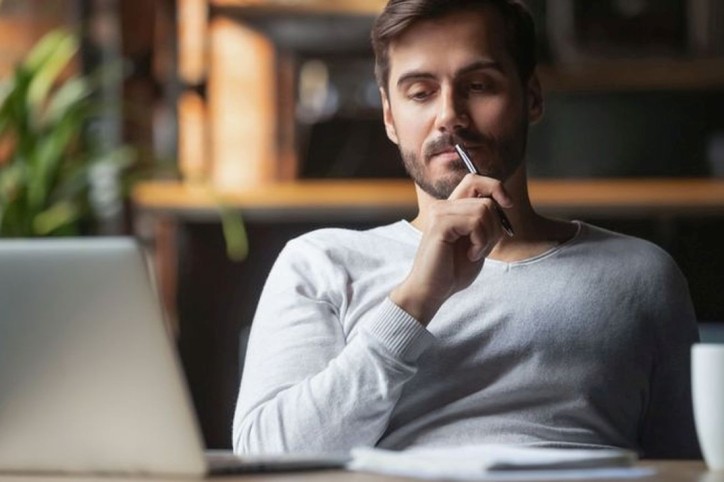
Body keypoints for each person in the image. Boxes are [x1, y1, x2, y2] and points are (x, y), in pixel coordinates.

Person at [232, 0, 700, 458]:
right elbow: (268, 457)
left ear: (532, 97)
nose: (449, 116)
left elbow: (692, 465)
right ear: (390, 116)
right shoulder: (321, 264)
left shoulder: (642, 275)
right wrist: (415, 301)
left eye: (478, 85)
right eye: (420, 92)